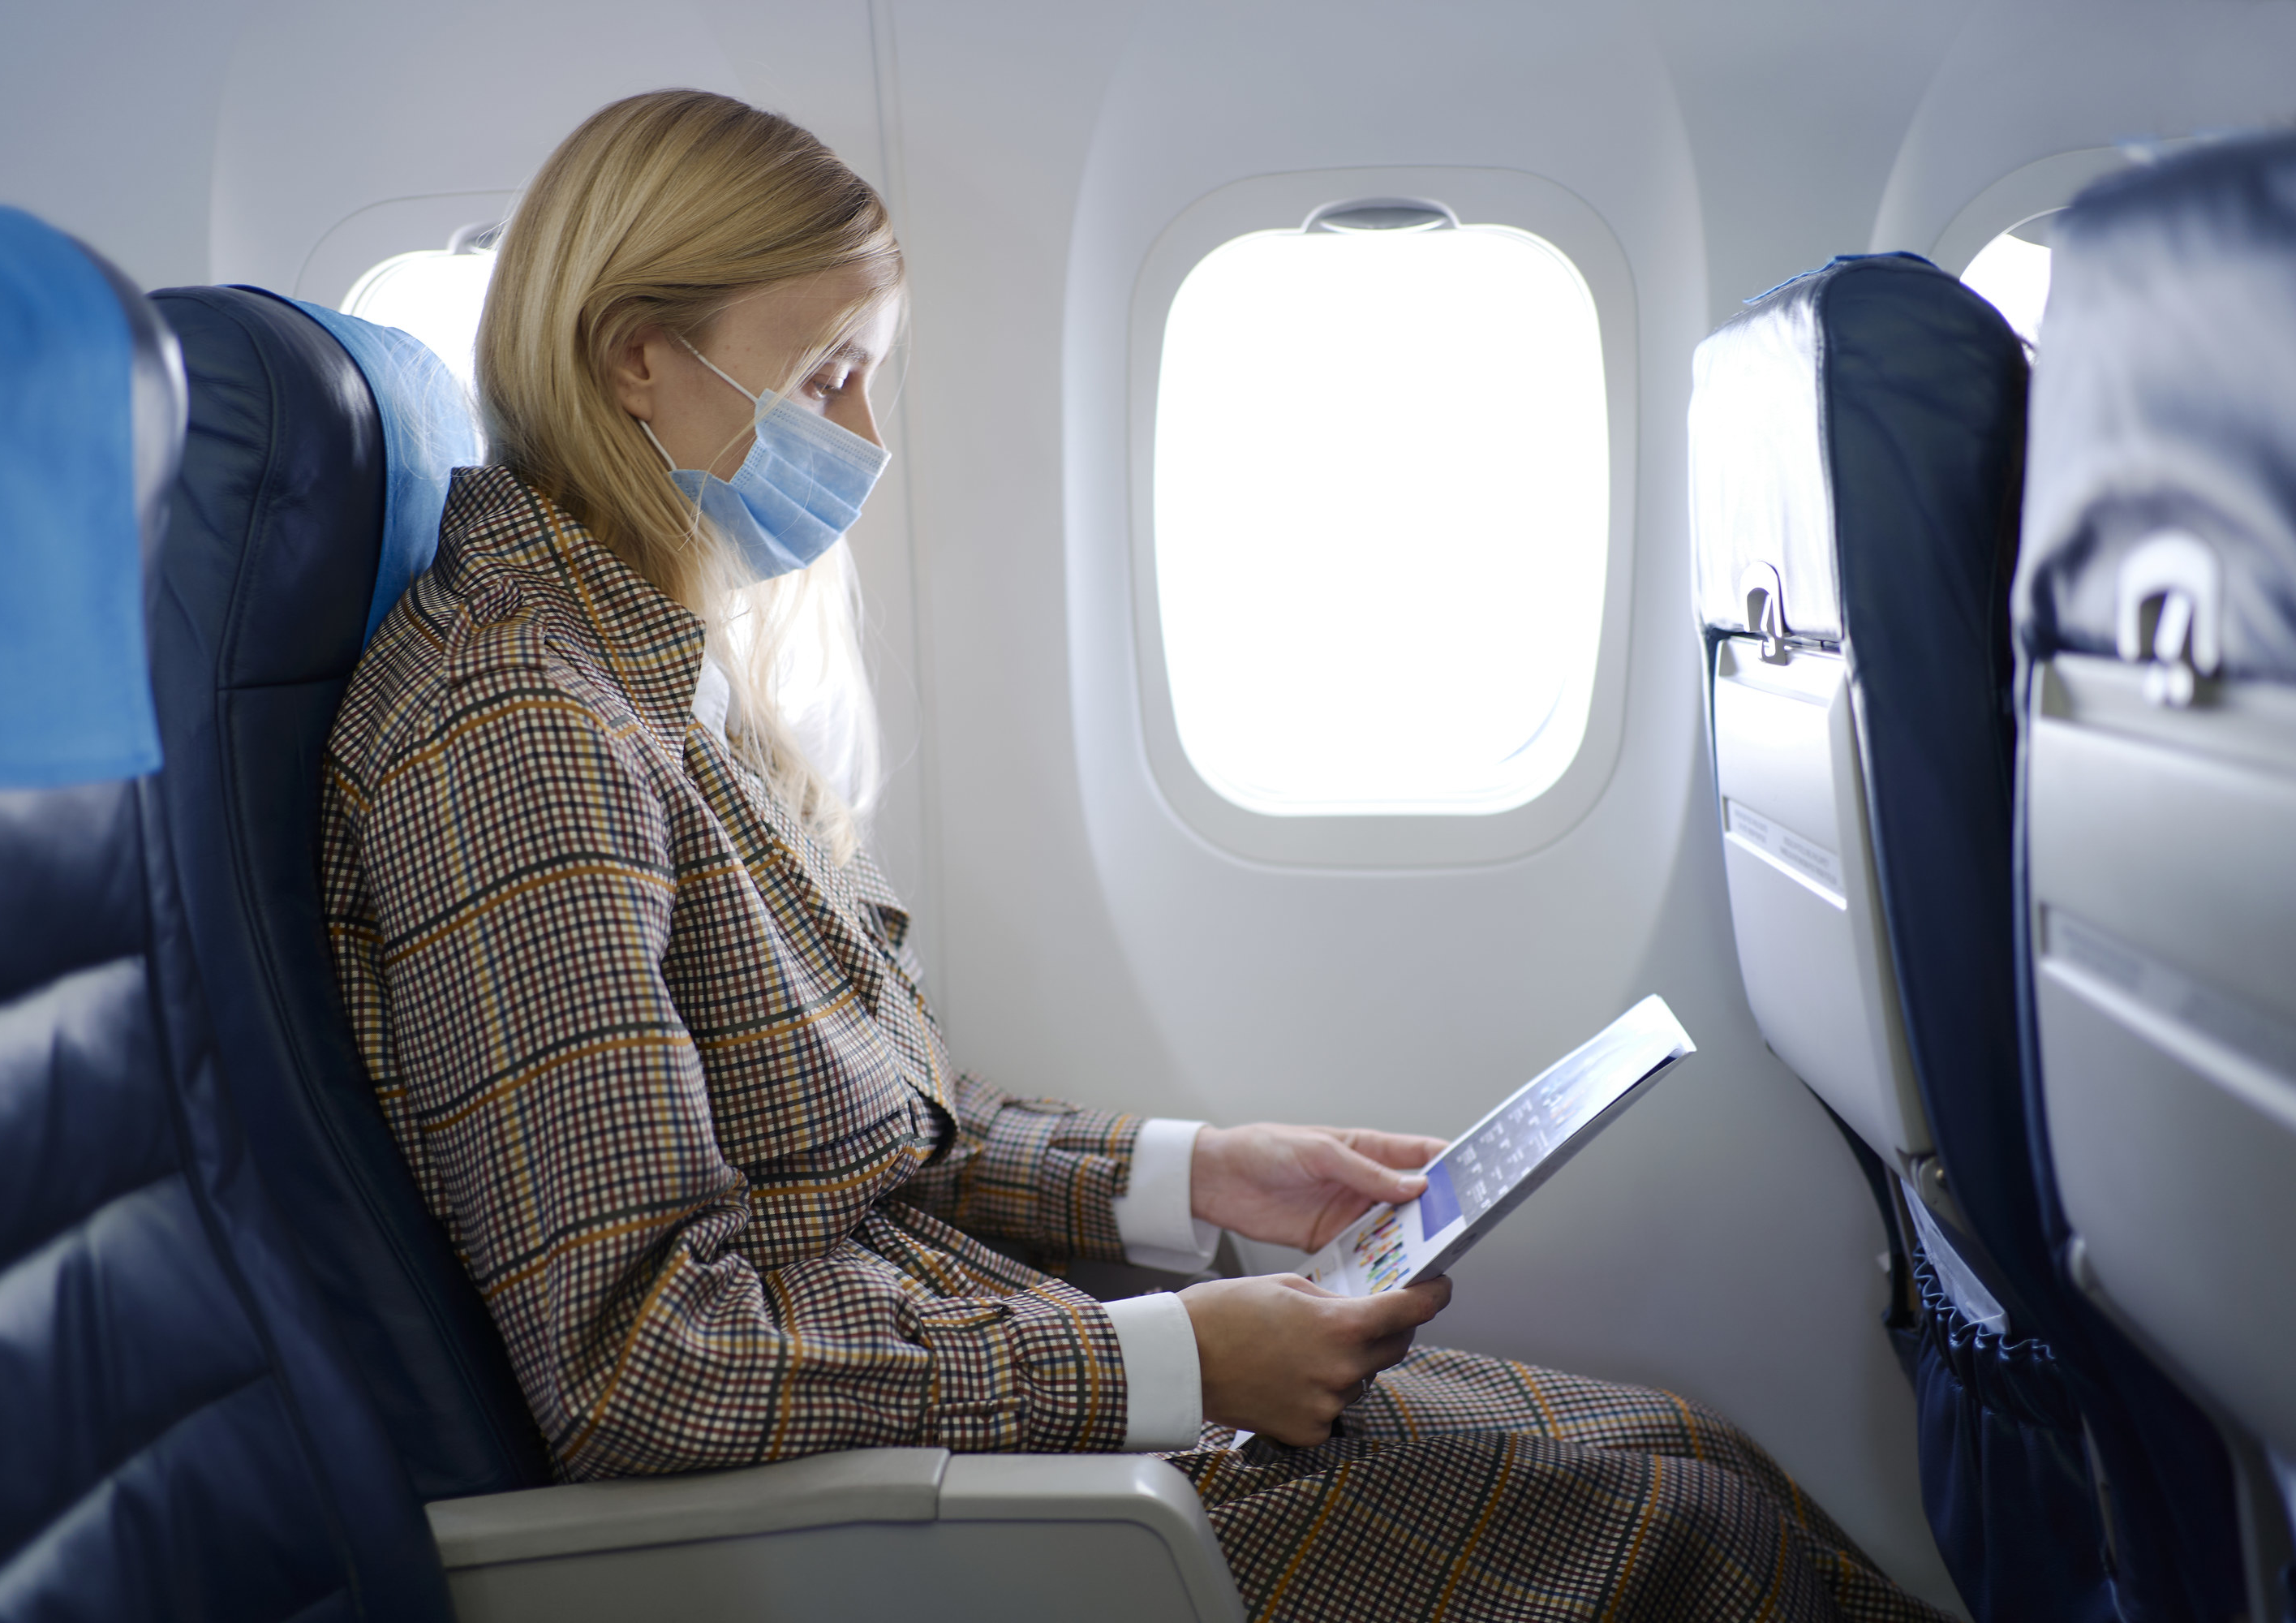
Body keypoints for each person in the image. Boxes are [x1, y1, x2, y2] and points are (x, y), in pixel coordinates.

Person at [318, 88, 1949, 1622]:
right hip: (877, 1510)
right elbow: (648, 1366)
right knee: (1694, 1543)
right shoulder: (518, 732)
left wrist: (1200, 1173)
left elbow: (861, 1148)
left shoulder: (639, 672)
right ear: (635, 362)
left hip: (958, 1391)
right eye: (827, 376)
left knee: (1677, 1446)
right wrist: (1172, 1362)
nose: (870, 435)